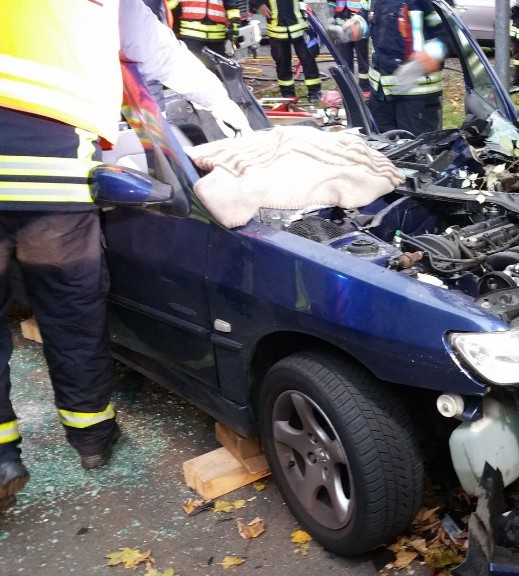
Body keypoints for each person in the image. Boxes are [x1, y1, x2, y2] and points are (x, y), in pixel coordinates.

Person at [0, 0, 251, 511]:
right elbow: (165, 58)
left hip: (46, 179)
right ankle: (92, 440)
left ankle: (3, 460)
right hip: (51, 185)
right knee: (72, 316)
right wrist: (232, 117)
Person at [365, 0, 447, 135]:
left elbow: (449, 34)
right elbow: (369, 15)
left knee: (417, 150)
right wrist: (350, 28)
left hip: (417, 97)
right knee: (381, 148)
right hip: (381, 94)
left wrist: (423, 61)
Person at [258, 0, 323, 103]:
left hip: (299, 26)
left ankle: (315, 92)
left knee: (308, 58)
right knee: (282, 62)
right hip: (277, 29)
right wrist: (259, 4)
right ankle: (288, 94)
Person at [166, 0, 243, 57]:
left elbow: (232, 7)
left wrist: (235, 24)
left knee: (216, 73)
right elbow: (169, 6)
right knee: (192, 72)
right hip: (191, 35)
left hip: (216, 38)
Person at [329, 0, 372, 96]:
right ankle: (349, 88)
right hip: (341, 27)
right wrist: (331, 18)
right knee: (345, 61)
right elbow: (331, 2)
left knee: (362, 59)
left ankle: (365, 88)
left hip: (359, 25)